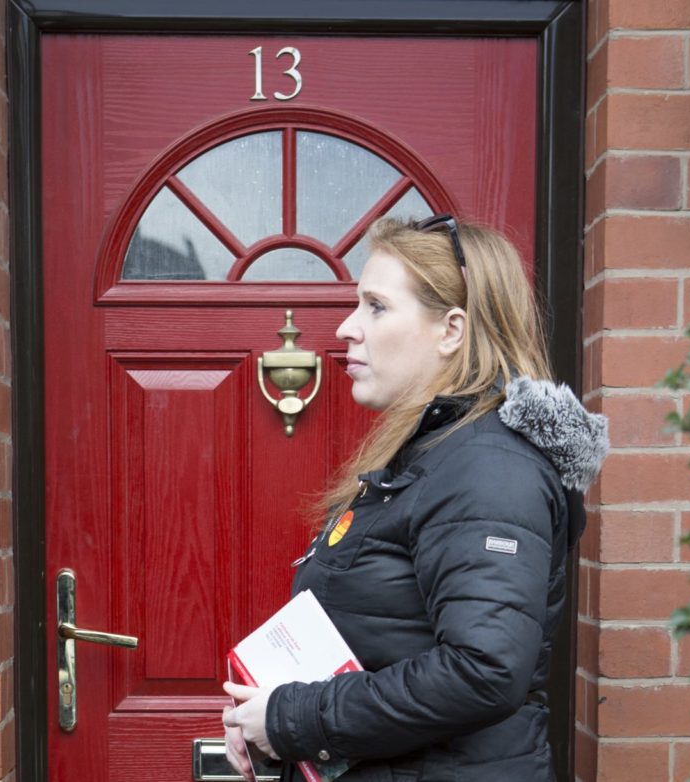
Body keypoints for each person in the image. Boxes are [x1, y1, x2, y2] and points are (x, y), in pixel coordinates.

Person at [222, 215, 609, 781]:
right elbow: (390, 641)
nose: (347, 329)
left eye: (376, 306)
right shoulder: (438, 453)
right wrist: (268, 720)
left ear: (452, 330)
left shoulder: (489, 468)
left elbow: (483, 671)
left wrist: (291, 718)